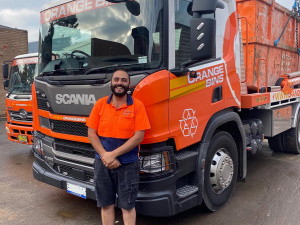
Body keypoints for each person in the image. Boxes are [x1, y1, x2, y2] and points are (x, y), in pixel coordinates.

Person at [86, 69, 150, 225]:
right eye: (116, 80)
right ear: (111, 83)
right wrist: (105, 156)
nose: (119, 83)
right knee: (106, 204)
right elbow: (91, 134)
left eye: (123, 80)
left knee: (127, 206)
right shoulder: (100, 104)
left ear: (129, 84)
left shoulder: (137, 106)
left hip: (128, 165)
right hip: (103, 164)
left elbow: (138, 137)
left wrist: (112, 155)